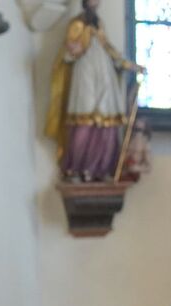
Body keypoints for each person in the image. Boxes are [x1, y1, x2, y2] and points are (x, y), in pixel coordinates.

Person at [45, 0, 145, 182]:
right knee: (84, 120)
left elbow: (110, 49)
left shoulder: (99, 23)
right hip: (85, 74)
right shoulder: (76, 23)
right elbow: (68, 53)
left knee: (106, 122)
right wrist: (73, 48)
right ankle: (77, 168)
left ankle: (101, 168)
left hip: (104, 75)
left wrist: (130, 65)